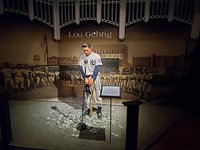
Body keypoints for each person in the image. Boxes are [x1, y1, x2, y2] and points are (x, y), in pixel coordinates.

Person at [78, 43, 103, 118]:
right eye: (84, 50)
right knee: (87, 94)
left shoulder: (96, 56)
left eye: (87, 50)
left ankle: (99, 109)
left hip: (95, 77)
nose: (85, 52)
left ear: (91, 48)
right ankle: (89, 109)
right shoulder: (82, 57)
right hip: (86, 77)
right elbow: (80, 67)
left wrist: (92, 78)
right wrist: (85, 77)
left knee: (98, 93)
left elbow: (97, 67)